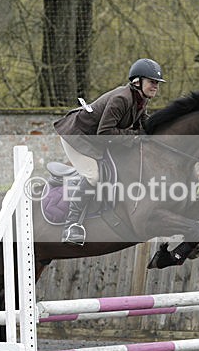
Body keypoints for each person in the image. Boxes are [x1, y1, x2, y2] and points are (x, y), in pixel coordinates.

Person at [53, 58, 166, 245]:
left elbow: (143, 126)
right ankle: (71, 225)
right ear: (137, 82)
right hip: (77, 137)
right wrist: (134, 136)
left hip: (94, 139)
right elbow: (104, 133)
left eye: (157, 83)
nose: (156, 86)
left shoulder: (141, 100)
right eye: (152, 82)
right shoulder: (121, 99)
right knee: (93, 175)